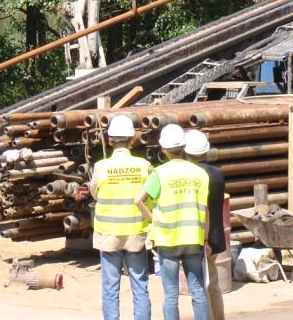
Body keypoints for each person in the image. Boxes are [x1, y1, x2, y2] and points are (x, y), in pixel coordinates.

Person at [134, 123, 210, 320]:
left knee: (170, 295)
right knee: (198, 291)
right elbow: (206, 210)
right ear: (184, 147)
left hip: (167, 240)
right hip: (194, 238)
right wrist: (206, 239)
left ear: (163, 149)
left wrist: (153, 221)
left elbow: (138, 200)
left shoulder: (159, 174)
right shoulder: (200, 174)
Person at [90, 114, 153, 320]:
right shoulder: (144, 166)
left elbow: (96, 194)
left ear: (109, 140)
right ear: (132, 139)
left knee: (110, 290)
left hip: (109, 236)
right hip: (136, 234)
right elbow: (151, 195)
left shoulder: (101, 167)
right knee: (140, 287)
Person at [185, 129, 226, 320]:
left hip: (197, 235)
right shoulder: (217, 174)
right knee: (213, 283)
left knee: (201, 285)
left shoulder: (190, 175)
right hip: (216, 236)